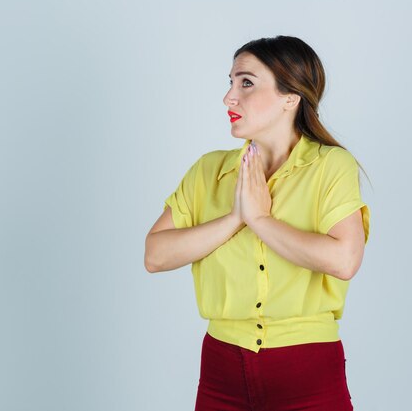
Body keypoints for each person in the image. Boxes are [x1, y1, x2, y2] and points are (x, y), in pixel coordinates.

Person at [144, 35, 370, 411]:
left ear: (290, 97)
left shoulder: (330, 166)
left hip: (308, 369)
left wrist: (261, 220)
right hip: (221, 367)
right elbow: (155, 255)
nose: (229, 97)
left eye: (246, 82)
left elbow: (345, 260)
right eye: (230, 82)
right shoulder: (208, 171)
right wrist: (236, 217)